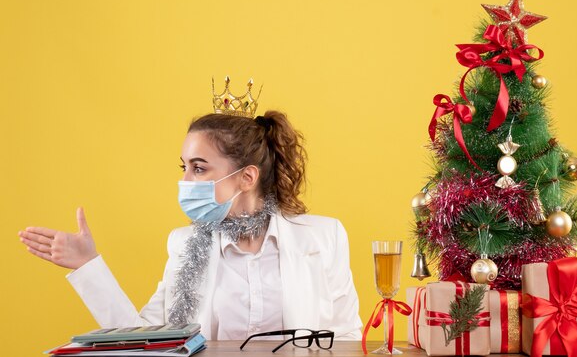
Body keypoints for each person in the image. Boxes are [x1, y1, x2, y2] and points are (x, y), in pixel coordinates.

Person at [18, 108, 362, 341]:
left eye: (198, 168)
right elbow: (144, 341)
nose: (185, 180)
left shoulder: (323, 237)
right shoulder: (184, 245)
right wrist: (88, 266)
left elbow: (346, 337)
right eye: (182, 166)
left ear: (246, 177)